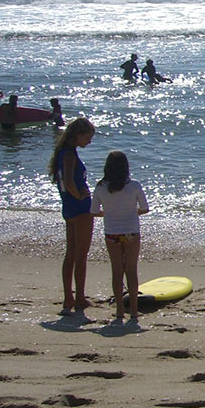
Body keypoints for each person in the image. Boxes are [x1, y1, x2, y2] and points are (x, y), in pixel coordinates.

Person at [91, 151, 150, 324]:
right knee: (131, 270)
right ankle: (133, 311)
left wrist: (109, 213)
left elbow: (94, 211)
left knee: (117, 271)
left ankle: (118, 311)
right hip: (131, 232)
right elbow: (145, 208)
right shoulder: (134, 186)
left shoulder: (101, 186)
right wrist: (133, 212)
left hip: (112, 233)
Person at [48, 118, 96, 315]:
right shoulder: (69, 155)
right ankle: (79, 298)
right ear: (78, 135)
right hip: (80, 208)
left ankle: (69, 296)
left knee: (71, 254)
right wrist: (80, 195)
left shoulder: (63, 153)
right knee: (80, 255)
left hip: (68, 208)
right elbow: (68, 181)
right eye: (88, 137)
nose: (89, 142)